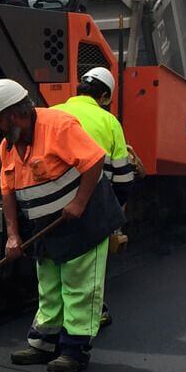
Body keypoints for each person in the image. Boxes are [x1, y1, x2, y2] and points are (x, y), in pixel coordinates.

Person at [0, 78, 124, 372]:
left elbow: (94, 160)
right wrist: (13, 236)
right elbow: (7, 191)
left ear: (14, 115)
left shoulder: (58, 126)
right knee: (48, 284)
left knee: (79, 285)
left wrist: (79, 202)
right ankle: (43, 343)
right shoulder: (10, 145)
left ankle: (74, 350)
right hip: (45, 226)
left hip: (84, 220)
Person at [51, 67, 135, 327]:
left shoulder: (52, 113)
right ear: (105, 96)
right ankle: (92, 316)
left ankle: (51, 323)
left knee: (54, 270)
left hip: (48, 204)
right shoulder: (108, 122)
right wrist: (114, 212)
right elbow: (122, 177)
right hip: (90, 205)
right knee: (89, 269)